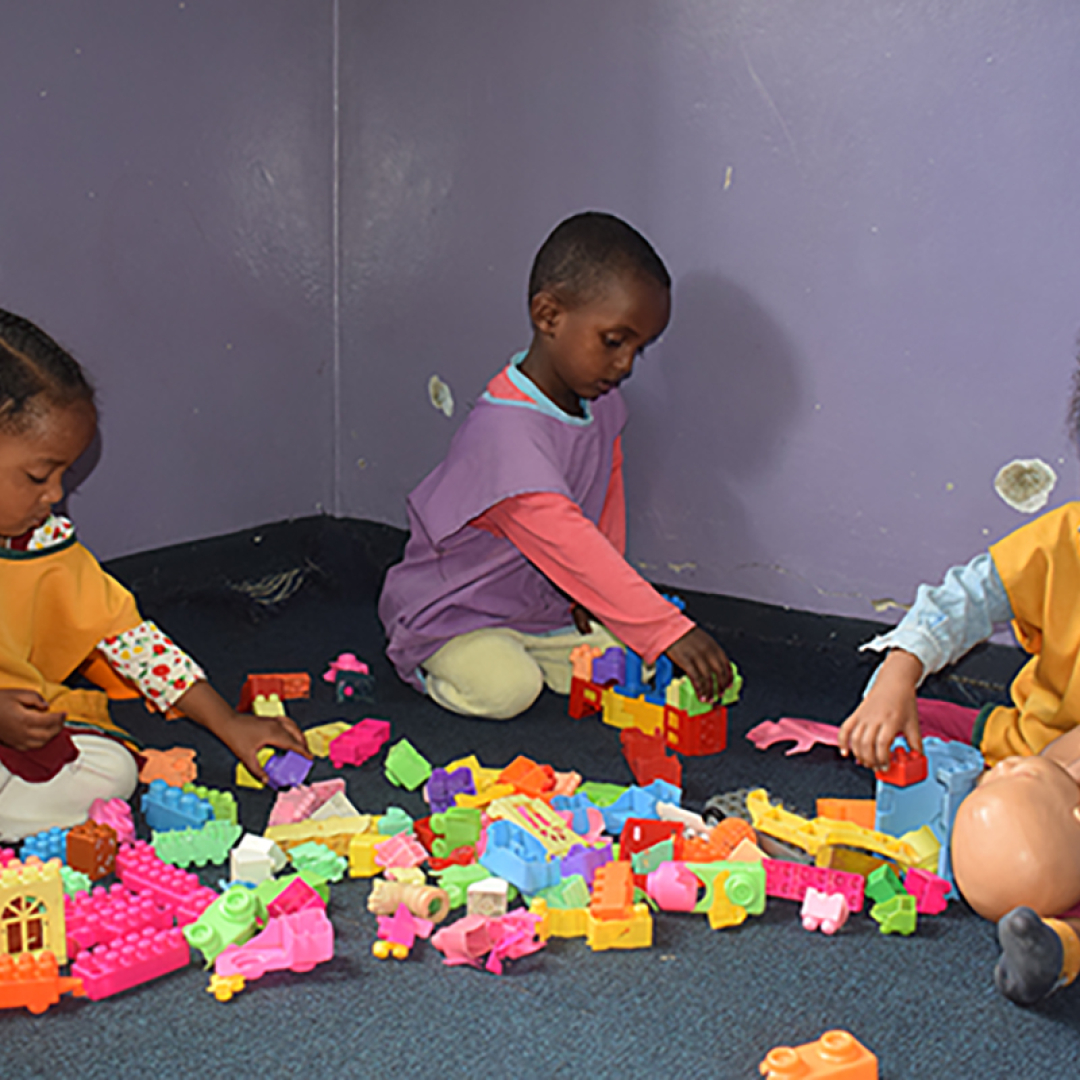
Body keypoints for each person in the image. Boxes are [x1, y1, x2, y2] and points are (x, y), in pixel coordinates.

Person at [379, 211, 732, 720]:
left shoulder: (604, 406)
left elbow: (605, 498)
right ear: (548, 317)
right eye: (614, 341)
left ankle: (532, 653)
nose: (626, 364)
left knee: (628, 660)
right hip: (457, 612)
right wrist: (665, 627)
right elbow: (566, 537)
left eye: (639, 349)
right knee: (508, 691)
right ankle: (430, 664)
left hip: (537, 610)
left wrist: (592, 596)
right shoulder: (506, 436)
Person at [0, 308, 309, 841]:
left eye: (64, 476)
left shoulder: (43, 545)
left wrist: (226, 721)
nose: (55, 496)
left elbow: (128, 639)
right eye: (37, 475)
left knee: (113, 772)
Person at [835, 415, 1080, 1005]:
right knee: (899, 723)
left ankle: (1058, 946)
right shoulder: (1065, 539)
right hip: (1029, 749)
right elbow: (965, 597)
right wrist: (899, 670)